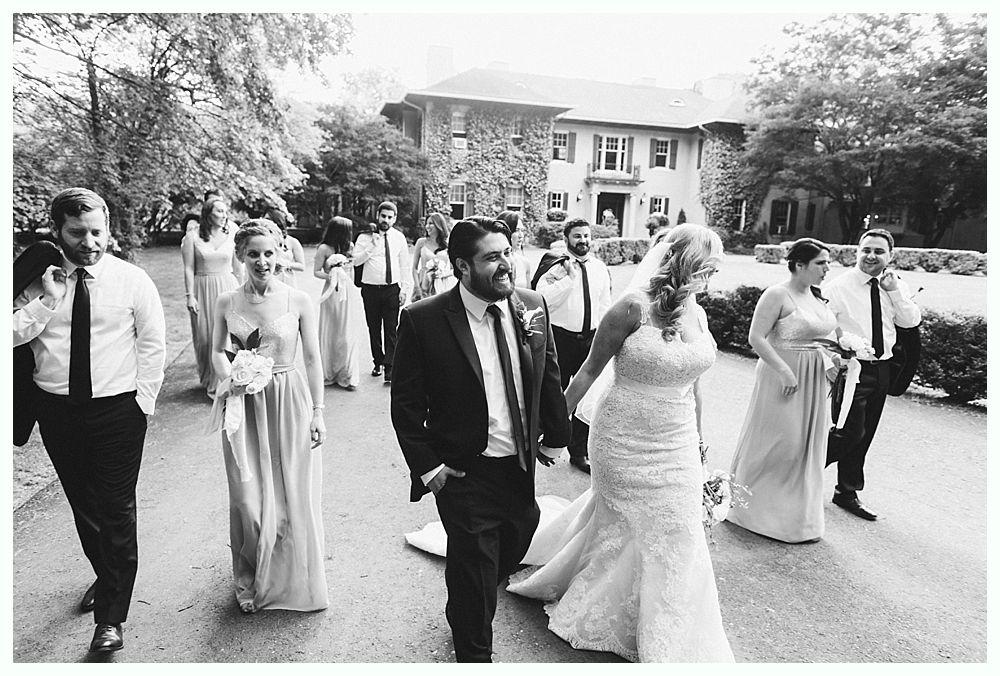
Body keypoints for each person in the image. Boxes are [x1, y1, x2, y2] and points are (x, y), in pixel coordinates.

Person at [506, 223, 733, 663]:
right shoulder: (630, 309)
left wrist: (701, 442)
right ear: (683, 262)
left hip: (678, 438)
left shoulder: (698, 314)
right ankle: (609, 608)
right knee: (630, 523)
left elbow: (696, 385)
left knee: (679, 525)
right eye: (706, 269)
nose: (710, 279)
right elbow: (588, 371)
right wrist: (551, 429)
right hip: (624, 435)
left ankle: (670, 620)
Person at [391, 216, 570, 662]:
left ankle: (466, 603)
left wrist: (556, 436)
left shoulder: (531, 306)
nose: (505, 263)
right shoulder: (423, 320)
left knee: (517, 537)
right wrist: (429, 467)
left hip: (519, 467)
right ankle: (474, 652)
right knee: (474, 569)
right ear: (462, 267)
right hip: (464, 471)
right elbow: (406, 404)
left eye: (507, 252)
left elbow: (549, 374)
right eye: (492, 257)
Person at [13, 188, 166, 653]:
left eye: (97, 231)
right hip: (56, 410)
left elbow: (152, 344)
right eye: (78, 232)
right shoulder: (36, 279)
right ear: (58, 231)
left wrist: (143, 404)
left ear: (108, 230)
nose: (90, 241)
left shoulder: (132, 280)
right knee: (84, 506)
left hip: (118, 412)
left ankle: (110, 620)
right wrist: (46, 301)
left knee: (116, 509)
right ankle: (107, 574)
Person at [208, 220, 328, 614]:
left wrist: (318, 412)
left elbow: (312, 358)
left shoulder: (298, 300)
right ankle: (251, 573)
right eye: (254, 254)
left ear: (279, 254)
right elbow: (215, 351)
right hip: (243, 405)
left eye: (269, 253)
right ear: (240, 255)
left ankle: (282, 578)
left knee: (290, 494)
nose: (262, 261)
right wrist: (233, 377)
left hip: (288, 400)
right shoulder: (227, 301)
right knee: (248, 498)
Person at [726, 238, 839, 543]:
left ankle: (796, 520)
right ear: (799, 265)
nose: (827, 268)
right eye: (821, 263)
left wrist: (836, 356)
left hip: (813, 377)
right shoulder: (777, 294)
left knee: (806, 446)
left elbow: (819, 338)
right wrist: (784, 370)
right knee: (780, 443)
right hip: (781, 374)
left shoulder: (818, 297)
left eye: (828, 262)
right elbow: (756, 337)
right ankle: (752, 509)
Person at [824, 228, 921, 520]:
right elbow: (823, 323)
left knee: (866, 434)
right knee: (849, 432)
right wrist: (834, 357)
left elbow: (910, 321)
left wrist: (894, 293)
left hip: (884, 368)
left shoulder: (894, 285)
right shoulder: (839, 286)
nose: (871, 256)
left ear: (890, 256)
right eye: (866, 250)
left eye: (879, 251)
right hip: (853, 369)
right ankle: (798, 473)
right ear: (857, 251)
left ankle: (846, 491)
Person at [535, 217, 612, 474]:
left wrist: (604, 335)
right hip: (561, 339)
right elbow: (542, 298)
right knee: (554, 393)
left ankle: (578, 452)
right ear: (567, 238)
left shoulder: (600, 268)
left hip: (590, 340)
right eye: (578, 236)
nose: (583, 240)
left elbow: (604, 304)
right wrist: (567, 279)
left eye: (587, 235)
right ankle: (547, 441)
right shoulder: (555, 266)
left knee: (586, 396)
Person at [181, 196, 241, 397]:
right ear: (208, 214)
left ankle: (225, 381)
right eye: (219, 211)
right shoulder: (193, 237)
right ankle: (209, 378)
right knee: (205, 338)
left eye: (225, 211)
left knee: (228, 337)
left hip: (227, 285)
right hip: (203, 288)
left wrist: (243, 291)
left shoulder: (232, 232)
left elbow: (238, 266)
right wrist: (190, 295)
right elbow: (189, 268)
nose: (224, 215)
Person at [352, 201, 411, 383]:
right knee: (374, 327)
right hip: (370, 290)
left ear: (394, 219)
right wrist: (371, 246)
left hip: (392, 289)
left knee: (391, 329)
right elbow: (355, 261)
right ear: (377, 216)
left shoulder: (399, 238)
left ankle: (390, 368)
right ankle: (377, 361)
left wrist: (405, 289)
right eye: (383, 216)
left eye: (389, 217)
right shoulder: (364, 237)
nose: (385, 220)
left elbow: (404, 265)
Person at [314, 216, 361, 390]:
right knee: (331, 332)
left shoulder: (350, 247)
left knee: (347, 332)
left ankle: (346, 374)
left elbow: (353, 270)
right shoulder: (324, 248)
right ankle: (329, 372)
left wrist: (352, 287)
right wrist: (332, 275)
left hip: (346, 293)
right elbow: (316, 272)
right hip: (331, 294)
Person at [410, 212, 455, 300]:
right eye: (426, 223)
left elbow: (454, 269)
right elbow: (414, 268)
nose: (427, 226)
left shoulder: (447, 245)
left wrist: (442, 274)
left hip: (441, 286)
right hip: (423, 285)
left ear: (439, 225)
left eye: (431, 223)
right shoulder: (421, 242)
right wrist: (417, 287)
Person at [266, 208, 305, 288]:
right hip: (268, 279)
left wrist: (285, 264)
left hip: (286, 279)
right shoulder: (263, 240)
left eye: (268, 219)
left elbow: (301, 266)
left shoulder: (292, 241)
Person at [496, 210, 533, 288]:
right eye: (516, 230)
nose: (521, 235)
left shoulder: (524, 263)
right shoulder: (494, 263)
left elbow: (529, 295)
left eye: (522, 230)